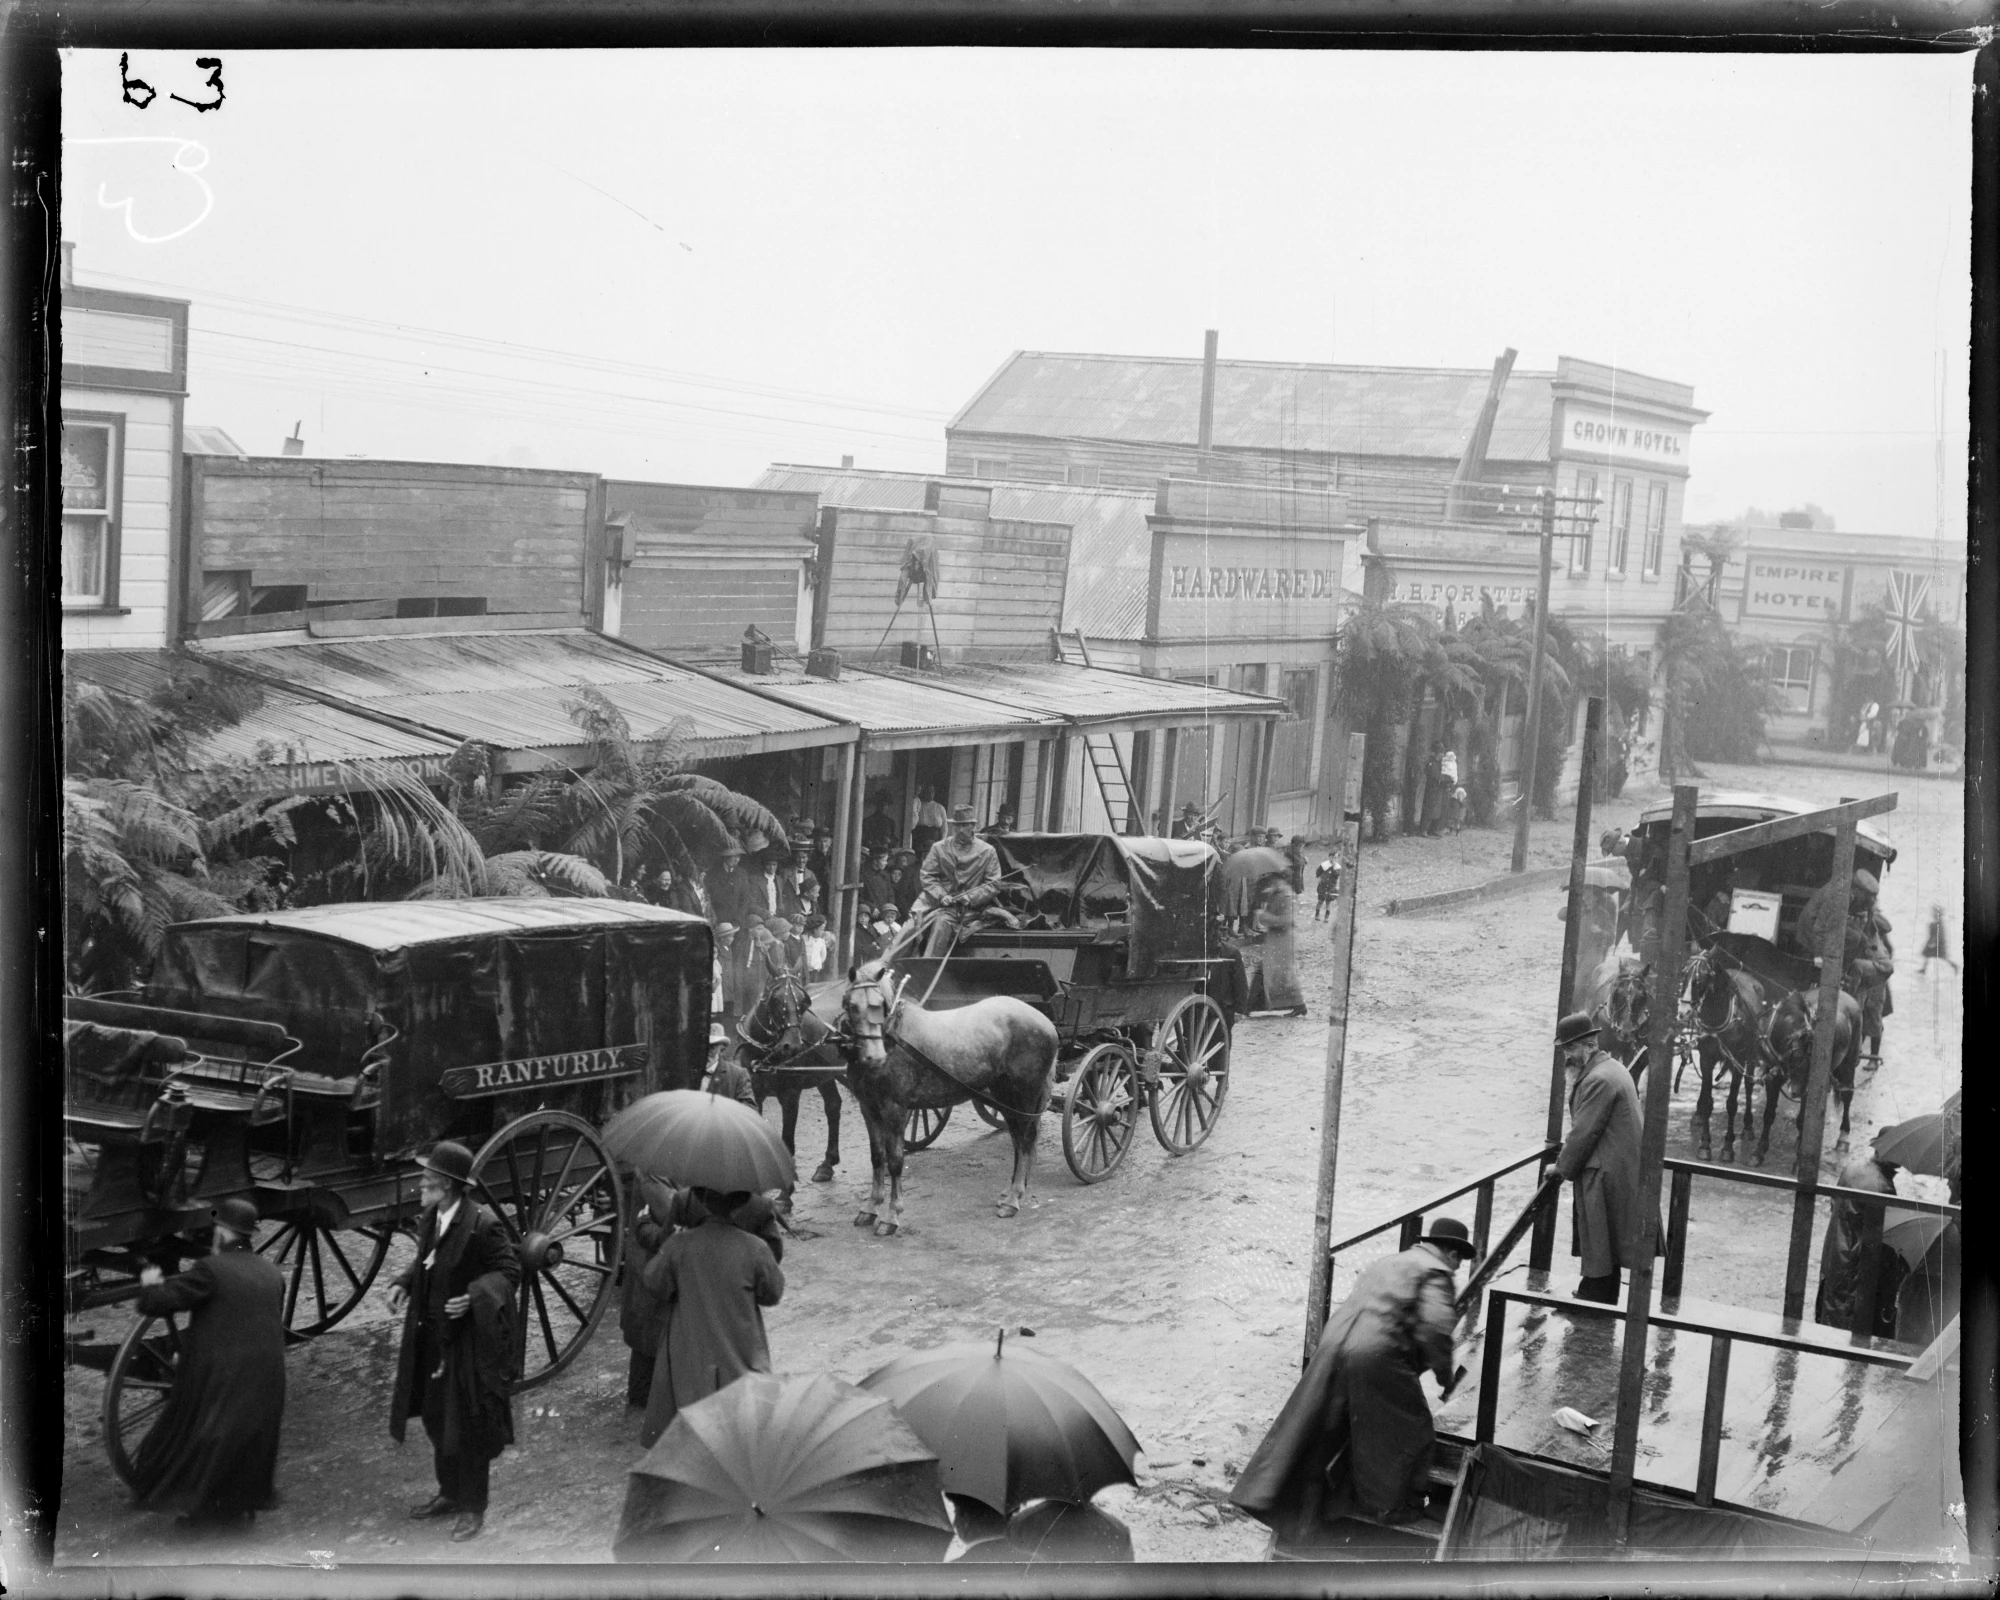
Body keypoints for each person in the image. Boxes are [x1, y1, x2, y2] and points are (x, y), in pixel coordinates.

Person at [1231, 1218, 1476, 1534]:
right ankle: (1391, 1507)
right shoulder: (1437, 1272)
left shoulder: (1390, 1261)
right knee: (1410, 1429)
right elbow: (1436, 1329)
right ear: (1452, 1252)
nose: (1457, 1268)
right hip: (1375, 1352)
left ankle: (1287, 1505)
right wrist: (1444, 1376)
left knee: (1320, 1424)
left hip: (1333, 1344)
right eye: (1459, 1259)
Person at [388, 1141, 521, 1542]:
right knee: (434, 1417)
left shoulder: (482, 1225)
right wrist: (404, 1283)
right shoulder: (432, 1217)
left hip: (466, 1345)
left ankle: (473, 1508)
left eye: (428, 1178)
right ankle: (449, 1492)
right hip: (430, 1337)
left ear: (446, 1185)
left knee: (468, 1425)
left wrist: (476, 1296)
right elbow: (428, 1259)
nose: (422, 1183)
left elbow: (509, 1270)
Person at [127, 1197, 286, 1529]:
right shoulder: (272, 1272)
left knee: (195, 1433)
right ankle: (238, 1505)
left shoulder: (211, 1270)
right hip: (269, 1374)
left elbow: (155, 1303)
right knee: (242, 1438)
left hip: (226, 1373)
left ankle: (203, 1510)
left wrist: (151, 1280)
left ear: (222, 1232)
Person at [638, 1187, 786, 1449]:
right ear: (740, 1204)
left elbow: (654, 1284)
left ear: (702, 1200)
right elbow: (772, 1294)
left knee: (690, 1425)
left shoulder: (679, 1245)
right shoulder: (755, 1247)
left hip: (689, 1351)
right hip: (740, 1347)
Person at [1554, 1012, 1654, 1303]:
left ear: (1589, 1045)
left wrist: (1559, 1169)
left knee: (1598, 1236)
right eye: (1564, 1050)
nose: (1567, 1056)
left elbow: (1583, 1132)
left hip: (1606, 1171)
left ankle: (1593, 1299)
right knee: (1606, 1240)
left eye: (1571, 1049)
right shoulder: (1612, 1068)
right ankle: (1598, 1295)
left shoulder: (1598, 1079)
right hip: (1618, 1167)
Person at [1813, 1142, 1906, 1337]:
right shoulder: (1884, 1187)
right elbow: (1885, 1236)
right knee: (1853, 1323)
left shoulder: (1852, 1167)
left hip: (1836, 1251)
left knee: (1832, 1312)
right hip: (1856, 1262)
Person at [910, 805, 1006, 957]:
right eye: (957, 825)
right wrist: (942, 895)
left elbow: (993, 884)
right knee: (909, 928)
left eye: (965, 825)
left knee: (942, 923)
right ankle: (893, 966)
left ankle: (929, 967)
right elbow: (927, 875)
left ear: (973, 826)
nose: (960, 829)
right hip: (942, 904)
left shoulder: (987, 851)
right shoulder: (939, 848)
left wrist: (970, 897)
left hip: (975, 909)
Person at [1919, 904, 1958, 976]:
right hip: (1935, 942)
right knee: (1927, 955)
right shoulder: (1938, 922)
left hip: (1937, 944)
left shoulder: (1939, 923)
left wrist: (1933, 942)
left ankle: (1954, 966)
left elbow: (1938, 934)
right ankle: (1923, 969)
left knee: (1943, 957)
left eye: (1935, 912)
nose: (1933, 914)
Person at [912, 786, 947, 860]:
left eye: (932, 791)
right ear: (924, 793)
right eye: (928, 791)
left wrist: (941, 843)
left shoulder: (940, 807)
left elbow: (944, 829)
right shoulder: (919, 804)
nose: (930, 793)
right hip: (920, 838)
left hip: (934, 840)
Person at [1314, 855, 1341, 922]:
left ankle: (1326, 917)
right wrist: (1319, 878)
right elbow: (1318, 872)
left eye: (1335, 857)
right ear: (1329, 857)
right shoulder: (1324, 864)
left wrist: (1334, 868)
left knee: (1328, 902)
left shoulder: (1338, 867)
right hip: (1323, 885)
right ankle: (1317, 914)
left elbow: (1337, 876)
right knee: (1320, 900)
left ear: (1337, 858)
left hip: (1331, 887)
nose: (1333, 859)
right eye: (1332, 857)